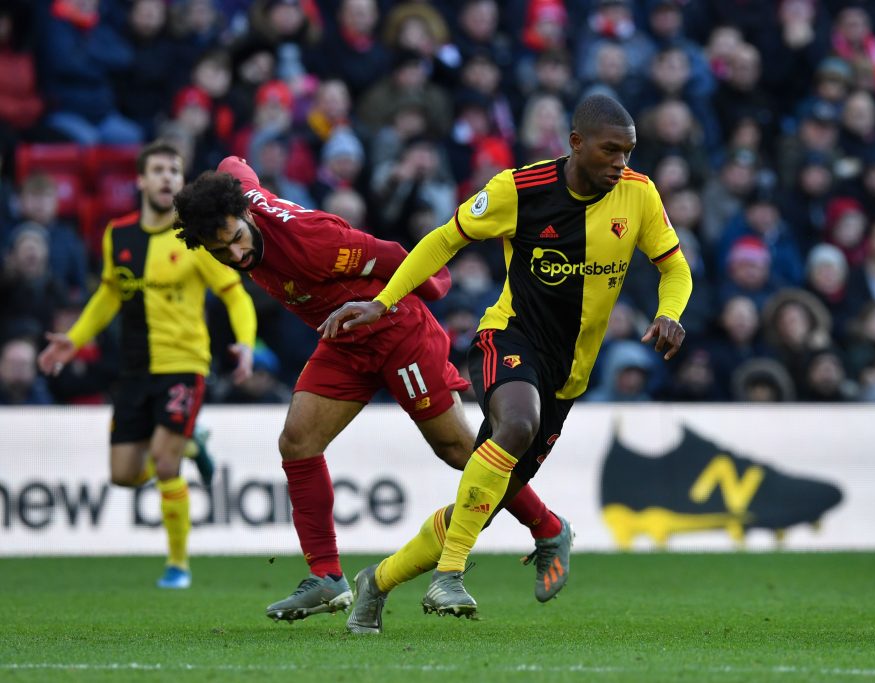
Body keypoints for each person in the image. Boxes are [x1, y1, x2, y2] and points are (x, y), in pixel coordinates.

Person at [329, 94, 691, 630]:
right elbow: (441, 241)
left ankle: (376, 582)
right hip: (509, 335)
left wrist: (670, 313)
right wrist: (383, 302)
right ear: (575, 144)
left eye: (629, 152)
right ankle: (450, 575)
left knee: (478, 507)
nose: (621, 162)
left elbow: (675, 268)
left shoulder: (639, 195)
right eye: (611, 150)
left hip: (569, 375)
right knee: (518, 424)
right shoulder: (517, 190)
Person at [171, 155, 573, 622]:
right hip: (344, 339)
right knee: (298, 442)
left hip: (395, 331)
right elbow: (235, 165)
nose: (237, 256)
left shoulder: (309, 243)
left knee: (461, 449)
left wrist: (438, 287)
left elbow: (387, 254)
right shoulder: (236, 198)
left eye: (238, 240)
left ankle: (548, 528)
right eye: (221, 252)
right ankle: (326, 577)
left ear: (245, 215)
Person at [37, 141, 257, 590]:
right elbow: (109, 295)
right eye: (157, 170)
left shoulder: (194, 238)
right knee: (123, 475)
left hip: (185, 364)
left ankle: (178, 565)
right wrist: (73, 341)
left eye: (174, 172)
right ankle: (192, 443)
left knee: (163, 462)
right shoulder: (118, 234)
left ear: (180, 182)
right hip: (135, 369)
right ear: (139, 180)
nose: (166, 178)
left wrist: (246, 344)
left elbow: (234, 293)